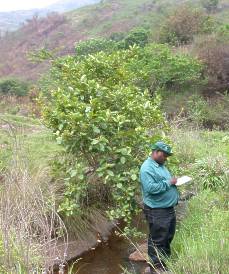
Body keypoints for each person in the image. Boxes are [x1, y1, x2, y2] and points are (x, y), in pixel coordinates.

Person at [140, 141, 179, 274]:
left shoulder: (160, 165)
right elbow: (150, 188)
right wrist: (169, 182)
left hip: (167, 209)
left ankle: (164, 262)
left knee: (168, 236)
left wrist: (173, 183)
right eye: (164, 155)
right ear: (156, 152)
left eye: (167, 155)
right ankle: (156, 268)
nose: (166, 158)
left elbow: (163, 183)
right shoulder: (147, 168)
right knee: (157, 239)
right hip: (157, 210)